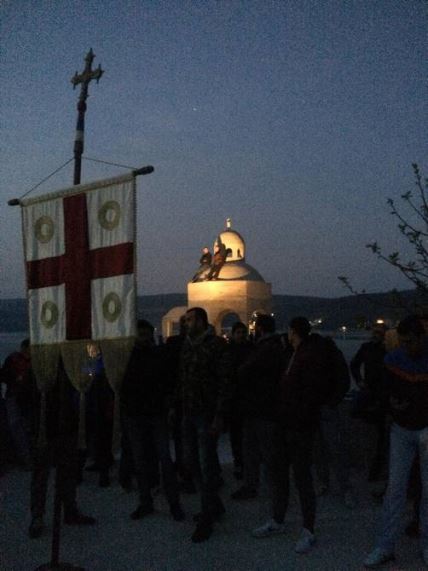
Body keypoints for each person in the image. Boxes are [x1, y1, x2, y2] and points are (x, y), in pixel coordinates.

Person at [252, 317, 331, 555]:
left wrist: (299, 418)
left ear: (292, 331)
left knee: (302, 478)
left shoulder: (307, 357)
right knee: (281, 474)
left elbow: (309, 394)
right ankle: (278, 518)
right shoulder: (292, 354)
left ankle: (308, 529)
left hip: (300, 427)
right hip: (286, 425)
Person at [364, 315, 428, 568]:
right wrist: (391, 403)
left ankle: (426, 545)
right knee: (395, 491)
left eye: (410, 342)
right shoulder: (393, 359)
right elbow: (383, 389)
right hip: (401, 429)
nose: (406, 347)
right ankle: (385, 545)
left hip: (425, 429)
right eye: (402, 342)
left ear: (422, 338)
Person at [171, 307, 232, 542]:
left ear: (202, 321)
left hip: (207, 414)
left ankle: (207, 518)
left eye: (190, 319)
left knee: (207, 466)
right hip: (188, 411)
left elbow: (226, 382)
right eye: (185, 320)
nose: (186, 323)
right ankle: (214, 505)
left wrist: (219, 415)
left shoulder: (217, 345)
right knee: (190, 461)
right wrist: (175, 407)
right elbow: (182, 377)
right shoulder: (187, 344)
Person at [120, 319, 184, 522]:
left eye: (146, 334)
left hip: (156, 413)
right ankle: (145, 501)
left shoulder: (158, 354)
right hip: (134, 414)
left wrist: (170, 405)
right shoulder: (124, 357)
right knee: (140, 461)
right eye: (141, 334)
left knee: (165, 459)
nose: (144, 338)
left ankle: (174, 503)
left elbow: (169, 381)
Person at [29, 368, 96, 539]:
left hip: (63, 424)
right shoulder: (44, 363)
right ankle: (39, 515)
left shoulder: (67, 362)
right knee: (43, 473)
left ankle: (67, 509)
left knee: (65, 471)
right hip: (47, 425)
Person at [231, 314, 283, 501]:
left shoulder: (264, 348)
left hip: (259, 407)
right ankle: (270, 487)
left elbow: (244, 371)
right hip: (265, 406)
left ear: (259, 328)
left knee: (257, 450)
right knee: (263, 450)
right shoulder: (278, 346)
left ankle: (263, 488)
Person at [350, 323, 388, 481]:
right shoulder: (366, 347)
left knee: (381, 437)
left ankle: (377, 470)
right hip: (369, 392)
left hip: (384, 395)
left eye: (379, 332)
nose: (376, 334)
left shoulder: (389, 349)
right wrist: (359, 380)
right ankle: (366, 465)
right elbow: (354, 364)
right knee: (363, 428)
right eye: (374, 331)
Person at [165, 315, 196, 493]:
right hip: (179, 398)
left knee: (190, 438)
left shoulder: (201, 344)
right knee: (180, 436)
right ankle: (185, 471)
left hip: (193, 399)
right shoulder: (174, 343)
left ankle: (190, 472)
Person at [1, 339, 34, 469]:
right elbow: (4, 375)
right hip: (15, 397)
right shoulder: (14, 359)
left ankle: (28, 458)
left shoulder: (32, 361)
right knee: (18, 428)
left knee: (24, 428)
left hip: (26, 399)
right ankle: (26, 458)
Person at [227, 321, 254, 481]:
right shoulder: (228, 350)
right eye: (238, 332)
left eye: (243, 332)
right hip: (234, 400)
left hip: (248, 399)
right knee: (236, 436)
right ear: (233, 334)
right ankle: (239, 463)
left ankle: (248, 464)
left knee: (248, 436)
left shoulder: (251, 349)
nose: (241, 335)